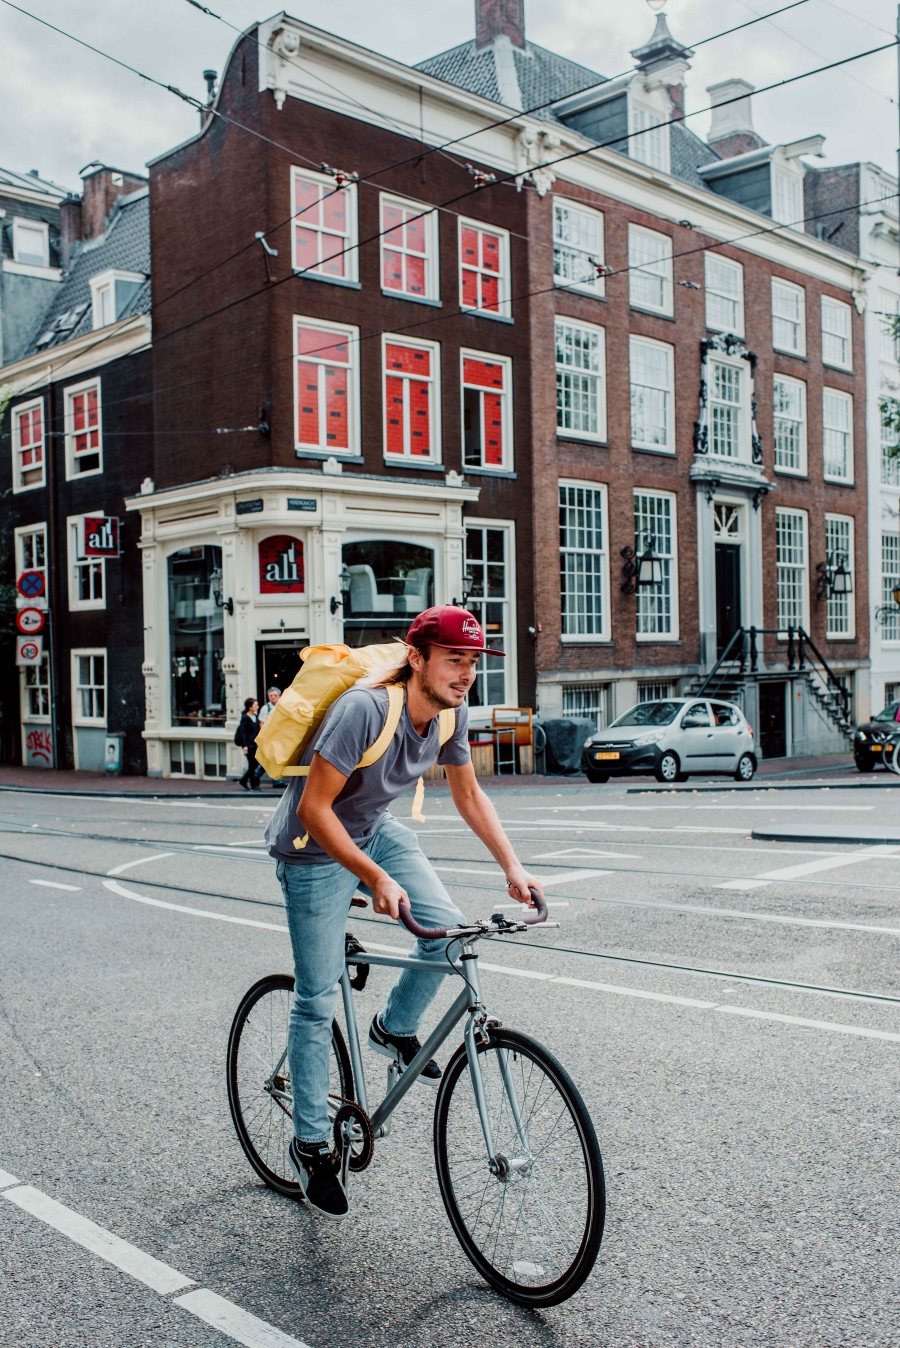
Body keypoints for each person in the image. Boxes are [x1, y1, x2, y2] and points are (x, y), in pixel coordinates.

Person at [265, 606, 544, 1221]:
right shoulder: (363, 711)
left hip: (374, 831)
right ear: (417, 658)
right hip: (314, 848)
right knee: (316, 997)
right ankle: (310, 1146)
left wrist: (512, 867)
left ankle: (391, 1026)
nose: (466, 674)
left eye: (472, 663)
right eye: (454, 660)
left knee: (445, 932)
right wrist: (373, 876)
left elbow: (468, 793)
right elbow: (313, 809)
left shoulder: (449, 712)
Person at [235, 697, 262, 790]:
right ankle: (254, 785)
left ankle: (244, 780)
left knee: (255, 764)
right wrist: (244, 746)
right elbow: (243, 732)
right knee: (252, 764)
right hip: (248, 745)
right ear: (250, 707)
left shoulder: (255, 717)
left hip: (254, 744)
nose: (257, 707)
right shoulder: (245, 718)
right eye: (255, 705)